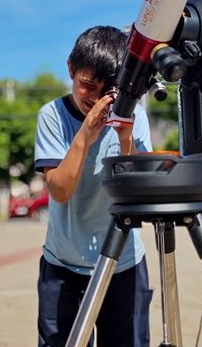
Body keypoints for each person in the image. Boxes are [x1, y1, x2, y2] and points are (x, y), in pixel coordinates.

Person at [34, 26, 154, 347]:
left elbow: (134, 192)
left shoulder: (135, 117)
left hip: (123, 263)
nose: (95, 98)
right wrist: (85, 135)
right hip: (63, 267)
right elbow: (59, 191)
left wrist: (125, 137)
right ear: (71, 69)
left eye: (106, 90)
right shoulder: (53, 116)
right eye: (87, 85)